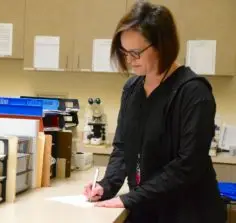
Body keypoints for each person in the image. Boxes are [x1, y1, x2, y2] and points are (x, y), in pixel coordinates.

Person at [83, 1, 226, 223]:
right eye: (124, 52)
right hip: (147, 209)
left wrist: (131, 199)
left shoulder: (194, 92)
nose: (129, 60)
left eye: (136, 52)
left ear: (162, 46)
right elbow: (122, 147)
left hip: (187, 213)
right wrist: (106, 185)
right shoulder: (132, 89)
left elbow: (188, 165)